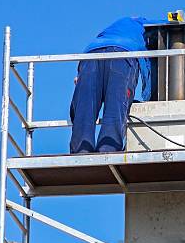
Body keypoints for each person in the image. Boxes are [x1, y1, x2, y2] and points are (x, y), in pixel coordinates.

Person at [69, 16, 165, 154]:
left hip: (91, 54)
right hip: (122, 55)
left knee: (84, 107)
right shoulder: (149, 26)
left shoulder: (115, 28)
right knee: (116, 105)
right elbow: (171, 26)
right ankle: (108, 149)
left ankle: (80, 151)